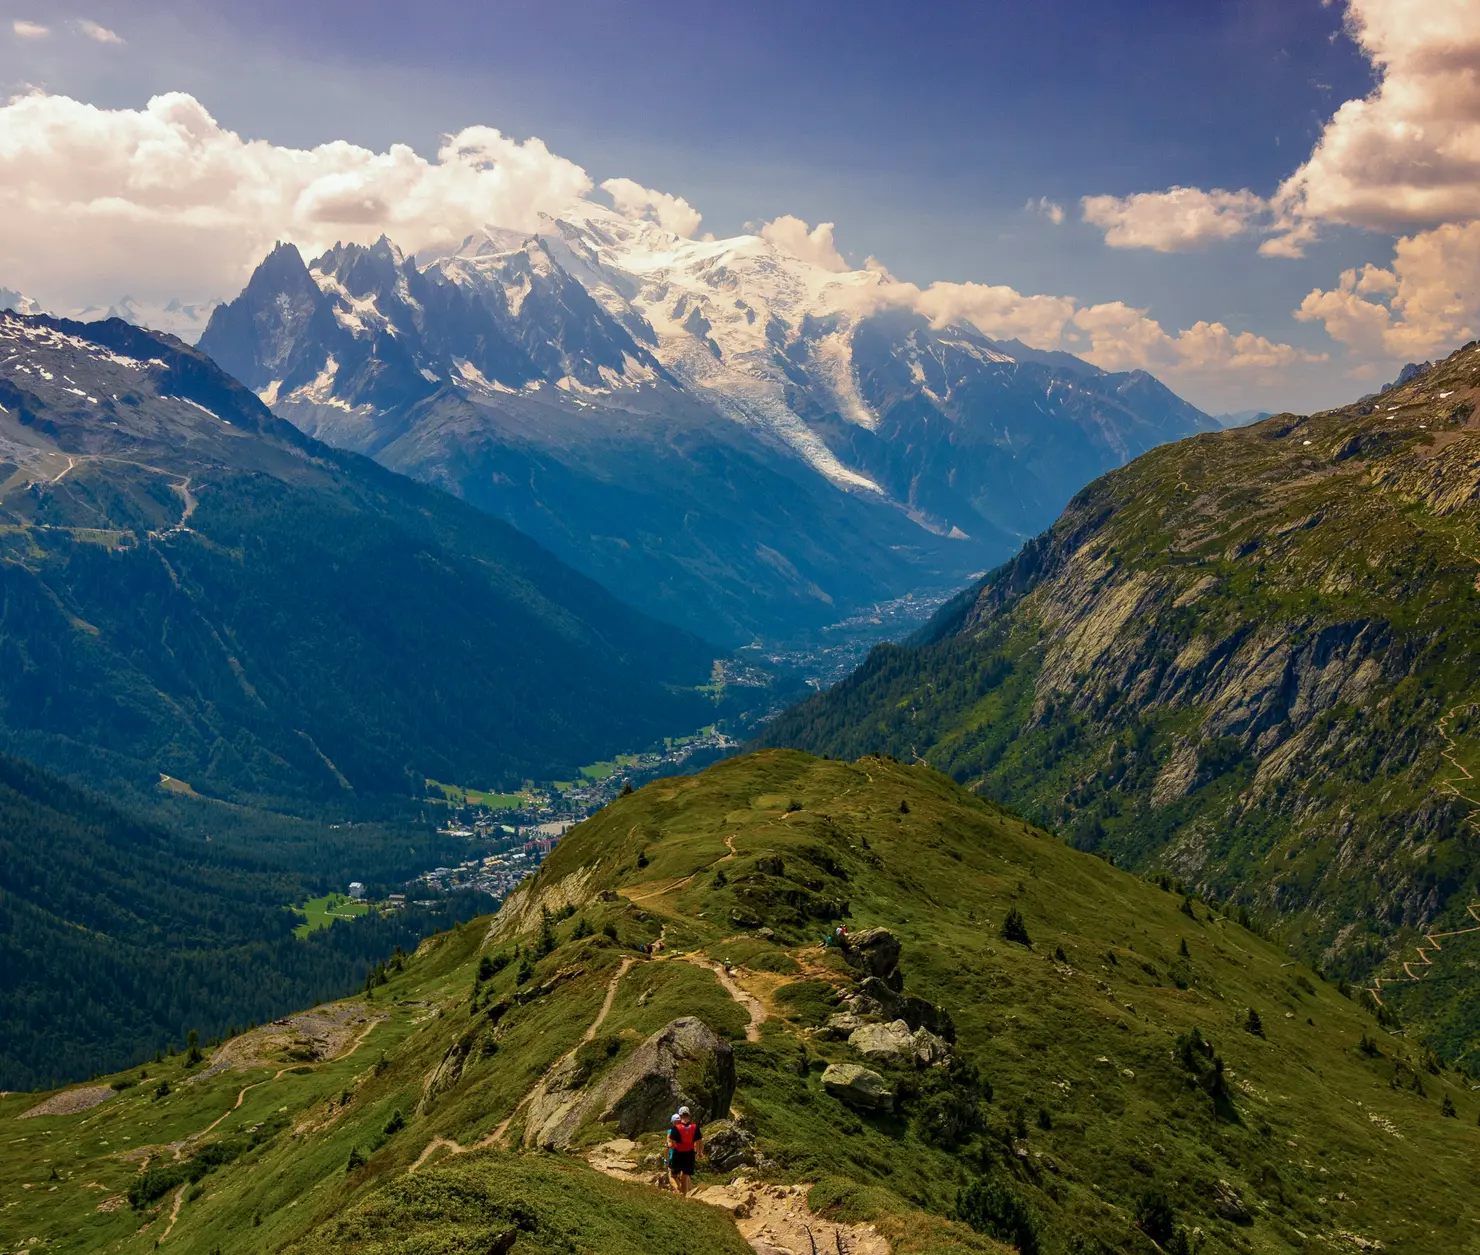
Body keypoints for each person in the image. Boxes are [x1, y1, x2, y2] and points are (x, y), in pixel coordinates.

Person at [666, 1104, 703, 1196]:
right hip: (690, 1154)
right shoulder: (695, 1127)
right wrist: (699, 1152)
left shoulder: (676, 1128)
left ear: (680, 1116)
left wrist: (668, 1145)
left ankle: (678, 1191)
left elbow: (672, 1144)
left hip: (678, 1154)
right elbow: (699, 1141)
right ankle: (684, 1195)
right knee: (685, 1175)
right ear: (689, 1115)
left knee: (673, 1175)